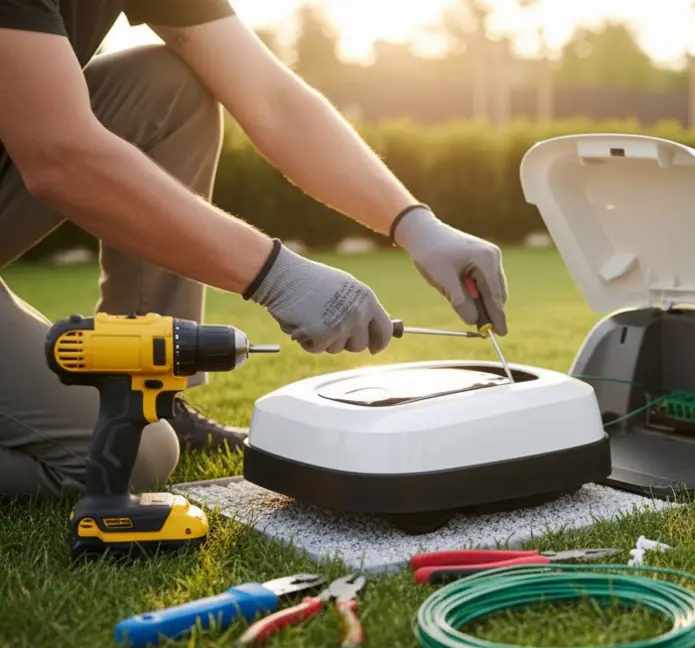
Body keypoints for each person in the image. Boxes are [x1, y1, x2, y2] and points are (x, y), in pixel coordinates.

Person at [0, 0, 509, 497]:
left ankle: (155, 394)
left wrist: (416, 225)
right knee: (139, 456)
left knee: (168, 89)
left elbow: (270, 98)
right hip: (42, 152)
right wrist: (277, 276)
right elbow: (57, 151)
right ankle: (139, 419)